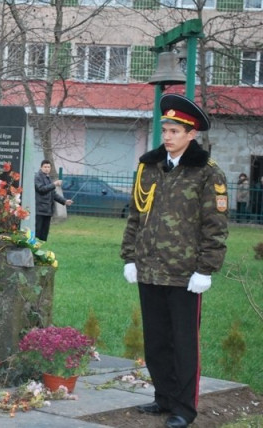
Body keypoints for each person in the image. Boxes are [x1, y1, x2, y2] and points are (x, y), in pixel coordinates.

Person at [121, 94, 229, 428]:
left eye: (174, 131)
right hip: (150, 269)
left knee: (184, 344)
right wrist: (130, 257)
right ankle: (164, 397)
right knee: (156, 342)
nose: (167, 136)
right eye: (165, 130)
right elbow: (135, 215)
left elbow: (215, 226)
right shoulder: (149, 166)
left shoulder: (207, 172)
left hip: (185, 274)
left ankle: (183, 409)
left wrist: (205, 269)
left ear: (191, 134)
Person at [34, 160, 73, 241]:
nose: (47, 169)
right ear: (41, 167)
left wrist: (64, 201)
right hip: (39, 210)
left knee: (44, 234)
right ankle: (34, 247)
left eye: (48, 167)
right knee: (37, 233)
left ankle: (41, 247)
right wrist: (54, 184)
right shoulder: (37, 177)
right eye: (45, 167)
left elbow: (53, 194)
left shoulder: (48, 178)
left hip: (48, 211)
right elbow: (41, 189)